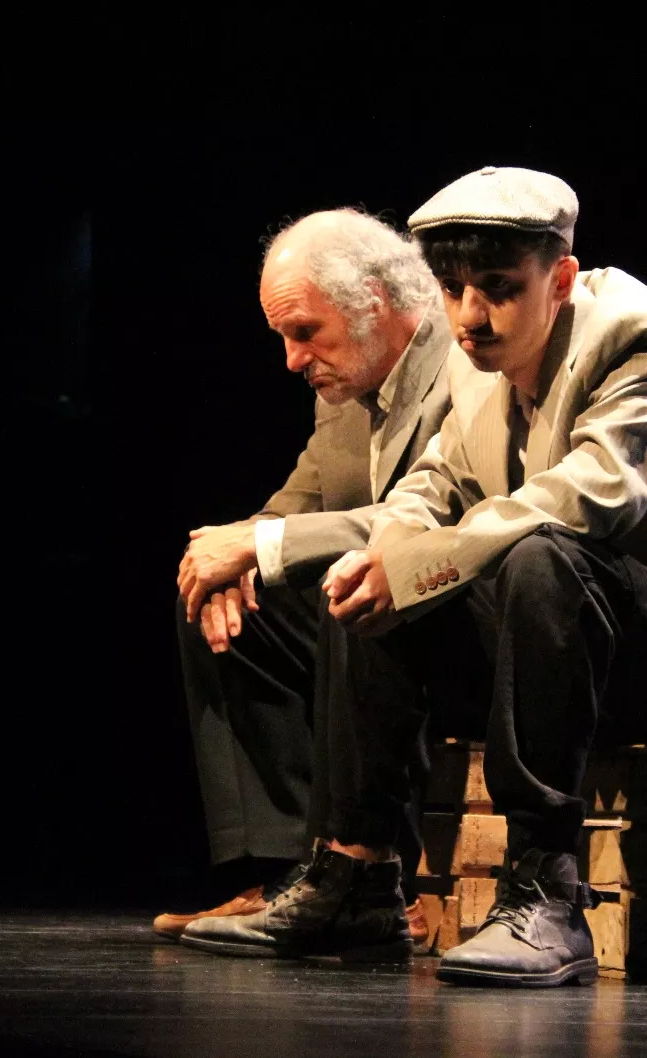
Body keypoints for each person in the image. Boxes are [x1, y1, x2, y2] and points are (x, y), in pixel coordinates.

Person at [181, 167, 647, 985]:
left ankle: (545, 889)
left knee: (544, 556)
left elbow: (589, 498)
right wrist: (389, 559)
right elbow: (427, 492)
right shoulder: (482, 364)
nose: (470, 319)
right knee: (370, 577)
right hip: (572, 646)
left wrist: (414, 564)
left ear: (561, 278)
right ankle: (358, 875)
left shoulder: (639, 337)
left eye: (499, 290)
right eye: (453, 291)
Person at [155, 210, 453, 947]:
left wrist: (259, 543)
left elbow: (438, 523)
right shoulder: (343, 396)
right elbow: (296, 504)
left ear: (374, 305)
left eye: (304, 333)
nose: (292, 360)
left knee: (353, 591)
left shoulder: (468, 366)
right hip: (370, 635)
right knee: (218, 596)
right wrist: (232, 559)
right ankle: (293, 872)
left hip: (456, 620)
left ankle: (382, 875)